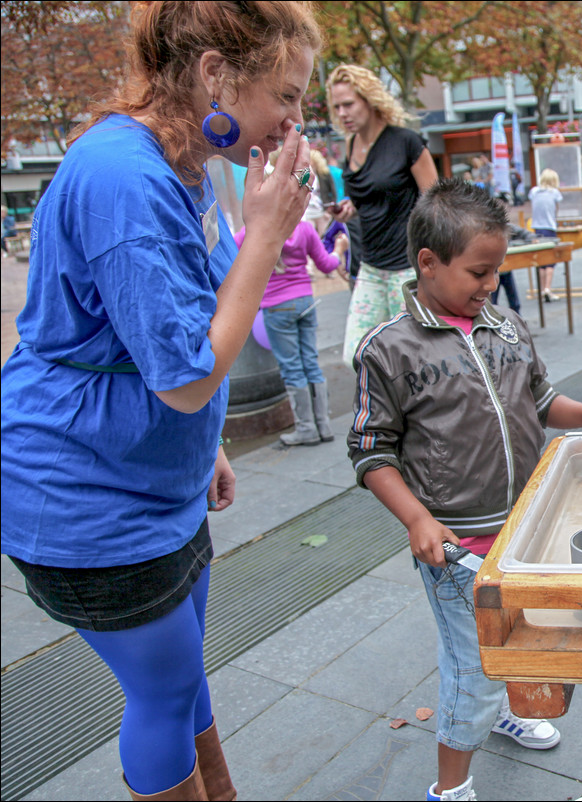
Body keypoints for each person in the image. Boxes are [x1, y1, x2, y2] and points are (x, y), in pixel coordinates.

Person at [0, 3, 321, 799]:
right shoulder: (123, 177)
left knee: (181, 679)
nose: (292, 121)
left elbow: (162, 330)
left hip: (153, 480)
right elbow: (183, 375)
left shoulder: (180, 165)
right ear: (216, 73)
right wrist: (267, 236)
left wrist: (205, 442)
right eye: (285, 94)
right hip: (84, 498)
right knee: (164, 692)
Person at [347, 178, 582, 801]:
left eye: (495, 271)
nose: (489, 286)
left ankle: (506, 709)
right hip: (455, 548)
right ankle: (450, 788)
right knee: (472, 669)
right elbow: (370, 451)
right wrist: (417, 520)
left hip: (524, 531)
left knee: (519, 640)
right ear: (428, 262)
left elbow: (540, 400)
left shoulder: (505, 326)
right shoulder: (388, 350)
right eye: (479, 272)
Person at [326, 63, 438, 368]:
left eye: (348, 104)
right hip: (371, 266)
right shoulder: (351, 145)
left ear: (370, 100)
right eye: (337, 107)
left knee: (417, 359)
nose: (343, 113)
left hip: (406, 266)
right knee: (357, 355)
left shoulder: (405, 142)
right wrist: (348, 209)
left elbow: (435, 203)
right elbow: (367, 199)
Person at [234, 221, 348, 446]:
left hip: (277, 307)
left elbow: (227, 258)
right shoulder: (304, 228)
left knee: (292, 367)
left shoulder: (252, 231)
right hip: (305, 302)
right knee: (311, 363)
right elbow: (326, 265)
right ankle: (323, 426)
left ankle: (306, 428)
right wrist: (338, 251)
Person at [529, 168, 563, 302]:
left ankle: (542, 289)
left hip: (537, 228)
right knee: (550, 261)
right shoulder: (554, 193)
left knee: (541, 260)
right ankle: (548, 288)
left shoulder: (534, 192)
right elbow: (556, 211)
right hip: (549, 227)